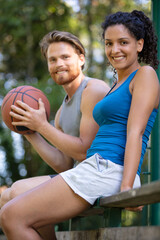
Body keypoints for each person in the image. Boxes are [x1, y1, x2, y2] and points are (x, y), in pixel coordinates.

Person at [0, 10, 159, 240]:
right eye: (109, 43)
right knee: (11, 210)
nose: (115, 50)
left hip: (109, 169)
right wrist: (30, 130)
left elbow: (136, 131)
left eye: (123, 42)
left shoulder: (145, 74)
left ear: (140, 44)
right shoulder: (117, 84)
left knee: (11, 216)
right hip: (94, 167)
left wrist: (127, 187)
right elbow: (67, 162)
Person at [0, 30, 110, 239]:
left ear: (81, 59)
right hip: (76, 175)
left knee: (16, 194)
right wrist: (28, 130)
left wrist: (41, 126)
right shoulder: (60, 113)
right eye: (52, 59)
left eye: (65, 57)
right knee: (7, 197)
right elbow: (64, 164)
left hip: (99, 174)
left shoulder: (93, 90)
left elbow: (85, 152)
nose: (58, 63)